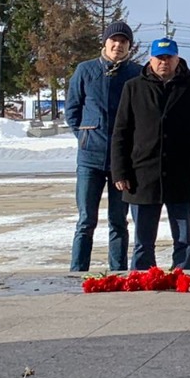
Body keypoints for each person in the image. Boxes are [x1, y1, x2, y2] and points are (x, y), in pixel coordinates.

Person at [111, 37, 190, 270]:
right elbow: (121, 133)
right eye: (159, 58)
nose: (164, 62)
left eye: (169, 57)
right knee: (143, 242)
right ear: (151, 59)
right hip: (142, 177)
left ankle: (185, 279)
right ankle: (141, 280)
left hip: (183, 176)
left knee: (184, 240)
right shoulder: (133, 87)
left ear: (177, 59)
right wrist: (120, 171)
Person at [65, 20, 142, 272]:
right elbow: (72, 110)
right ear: (105, 43)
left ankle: (118, 272)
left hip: (123, 162)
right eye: (114, 40)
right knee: (86, 221)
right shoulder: (85, 70)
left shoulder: (136, 73)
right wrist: (85, 136)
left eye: (123, 41)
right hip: (90, 159)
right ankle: (78, 271)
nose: (118, 45)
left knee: (118, 221)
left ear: (129, 46)